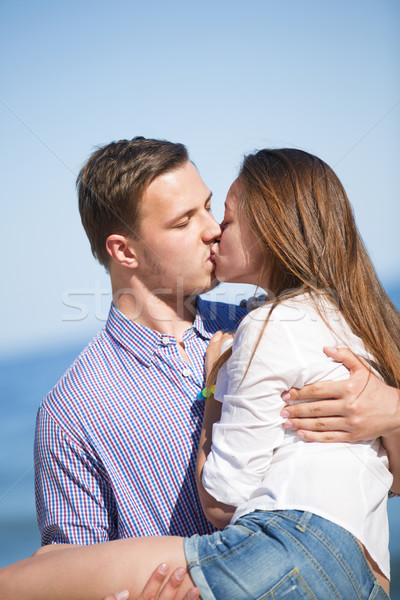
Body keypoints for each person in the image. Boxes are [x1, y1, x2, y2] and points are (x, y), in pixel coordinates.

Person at [1, 147, 399, 598]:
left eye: (209, 206)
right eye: (184, 221)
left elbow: (378, 478)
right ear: (124, 250)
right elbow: (71, 576)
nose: (213, 229)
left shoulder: (272, 326)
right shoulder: (69, 412)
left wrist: (393, 410)